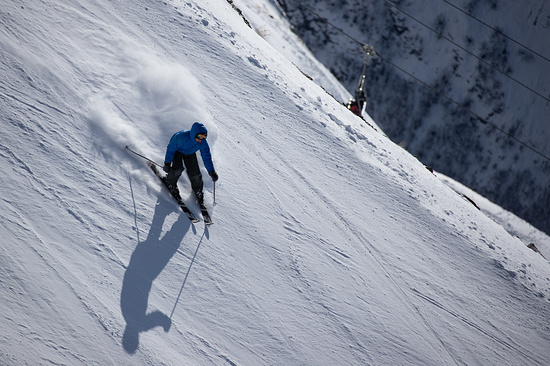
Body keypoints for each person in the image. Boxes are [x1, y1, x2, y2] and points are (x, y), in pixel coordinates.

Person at [162, 122, 218, 205]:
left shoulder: (202, 142)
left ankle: (198, 189)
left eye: (204, 136)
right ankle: (170, 183)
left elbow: (206, 157)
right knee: (177, 169)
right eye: (200, 136)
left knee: (195, 173)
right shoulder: (181, 137)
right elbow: (170, 149)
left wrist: (211, 171)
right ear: (194, 134)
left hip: (190, 153)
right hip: (178, 151)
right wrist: (167, 163)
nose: (201, 139)